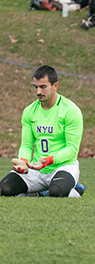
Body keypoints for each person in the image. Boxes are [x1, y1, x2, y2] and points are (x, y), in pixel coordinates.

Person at [0, 65, 85, 198]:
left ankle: (76, 189)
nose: (38, 91)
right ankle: (41, 192)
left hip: (63, 167)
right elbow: (27, 145)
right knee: (4, 188)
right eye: (36, 87)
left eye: (43, 87)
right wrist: (24, 161)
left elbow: (72, 149)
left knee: (57, 192)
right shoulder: (29, 111)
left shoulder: (70, 111)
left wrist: (49, 160)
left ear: (55, 85)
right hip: (36, 169)